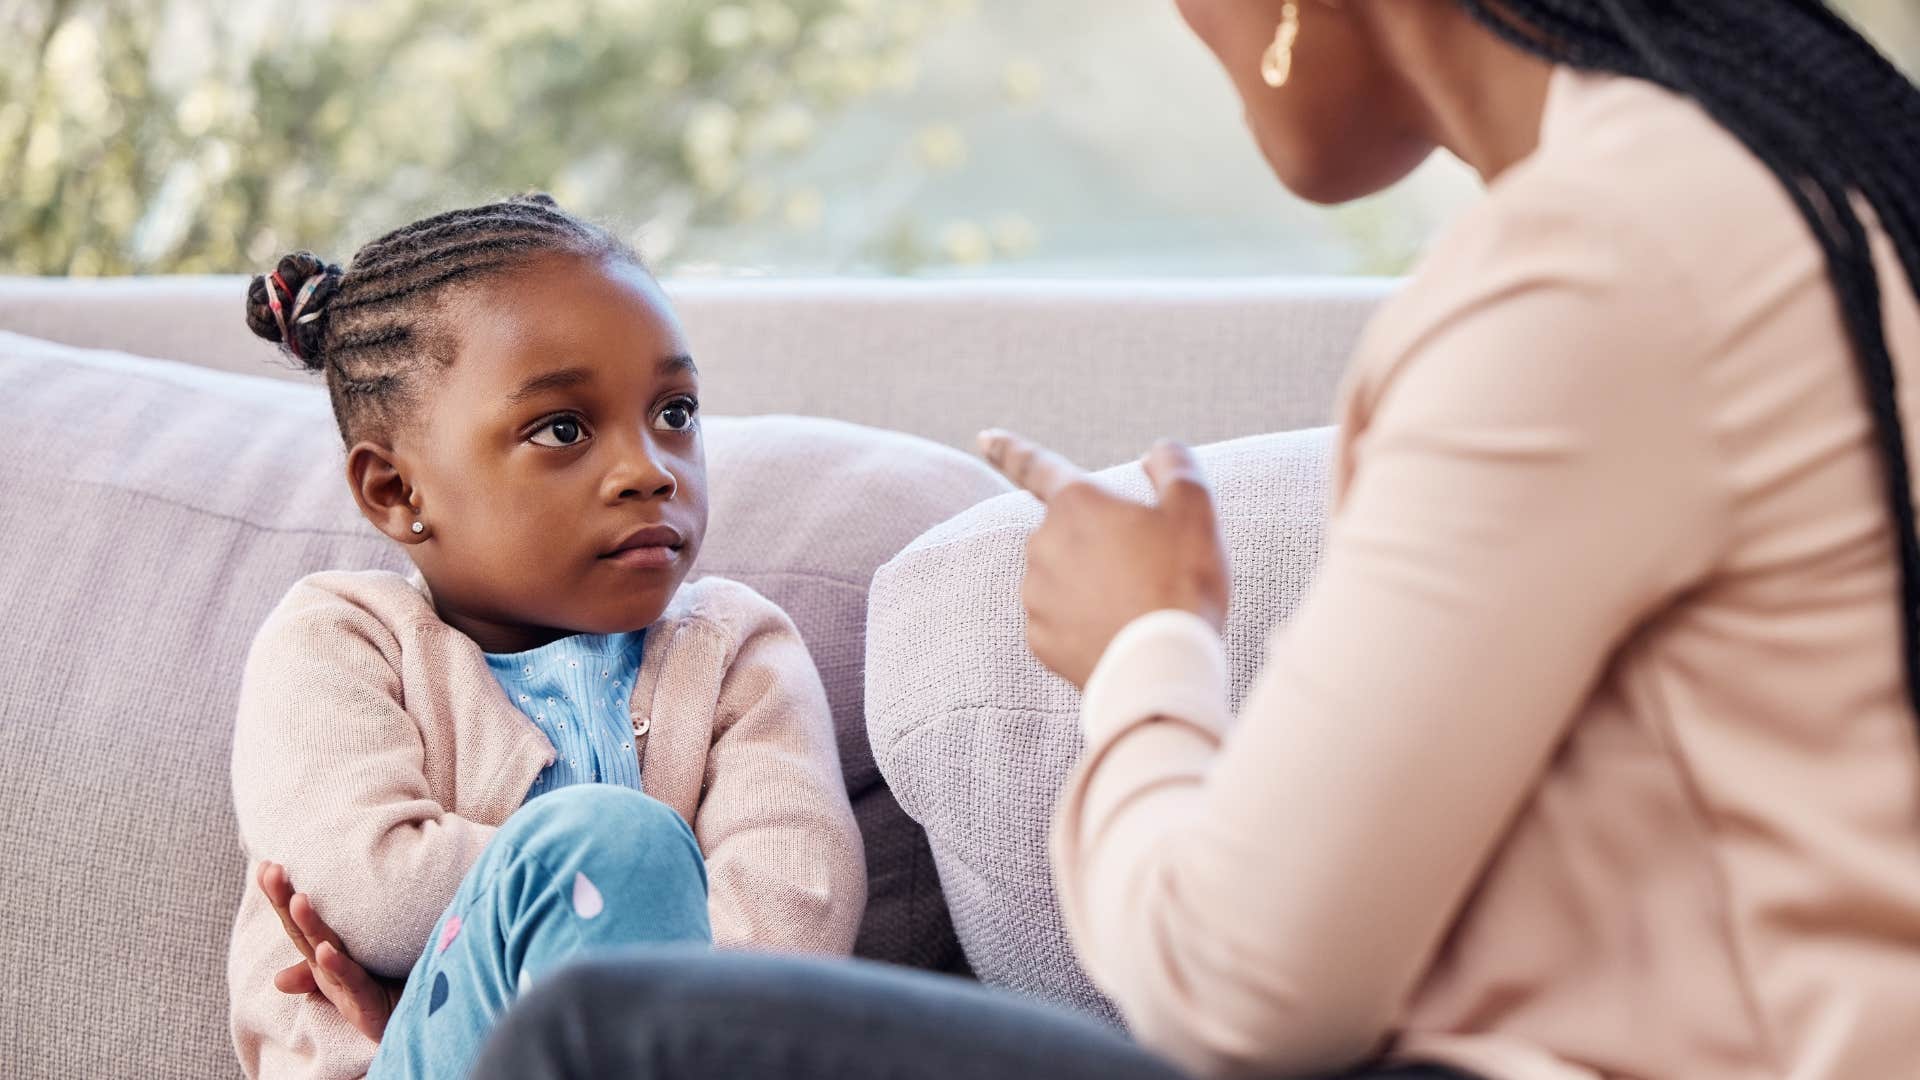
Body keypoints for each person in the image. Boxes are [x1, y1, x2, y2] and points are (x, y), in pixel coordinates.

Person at [443, 1, 1920, 1076]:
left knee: (603, 1038)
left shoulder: (1587, 277)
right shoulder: (1808, 191)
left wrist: (1146, 648)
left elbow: (1248, 987)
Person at [223, 194, 867, 1080]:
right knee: (618, 841)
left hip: (687, 1060)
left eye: (674, 414)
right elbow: (370, 882)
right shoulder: (339, 642)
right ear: (396, 492)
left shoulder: (739, 655)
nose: (649, 469)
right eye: (562, 429)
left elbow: (795, 926)